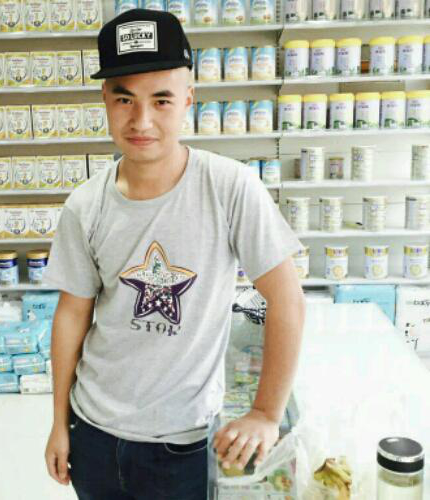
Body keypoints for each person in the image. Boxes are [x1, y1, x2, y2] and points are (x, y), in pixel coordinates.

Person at [43, 8, 306, 500]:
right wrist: (59, 422)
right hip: (93, 431)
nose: (141, 120)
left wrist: (266, 413)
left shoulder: (230, 188)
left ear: (188, 98)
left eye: (161, 99)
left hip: (182, 442)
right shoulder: (85, 204)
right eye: (124, 98)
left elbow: (286, 297)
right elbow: (72, 313)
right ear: (105, 99)